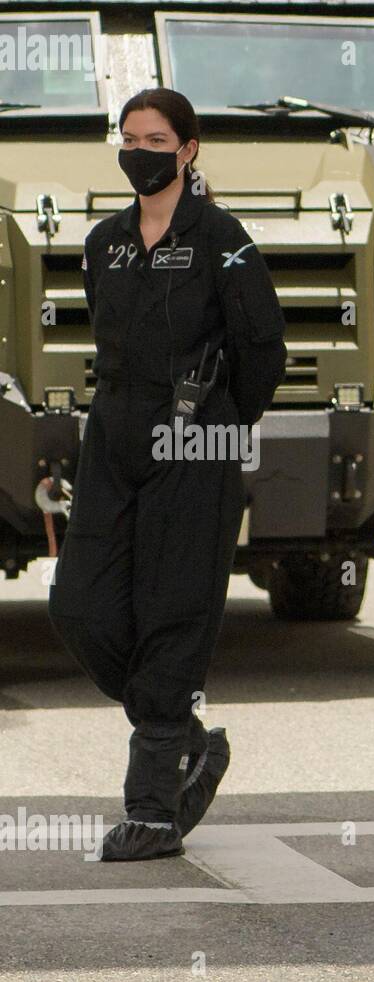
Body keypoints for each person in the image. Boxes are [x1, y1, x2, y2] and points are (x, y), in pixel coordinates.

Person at [49, 88, 286, 862]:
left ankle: (152, 806)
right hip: (114, 434)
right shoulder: (103, 241)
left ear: (188, 149)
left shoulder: (224, 240)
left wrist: (220, 425)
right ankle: (183, 734)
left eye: (155, 138)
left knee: (172, 612)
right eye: (129, 137)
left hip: (198, 441)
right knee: (81, 604)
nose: (139, 150)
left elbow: (262, 352)